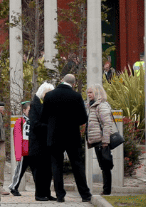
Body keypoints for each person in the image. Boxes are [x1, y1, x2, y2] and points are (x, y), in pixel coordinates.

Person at [43, 74, 91, 203]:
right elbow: (83, 118)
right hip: (71, 135)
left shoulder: (49, 96)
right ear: (74, 84)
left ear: (62, 81)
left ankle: (60, 195)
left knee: (56, 165)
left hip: (54, 136)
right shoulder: (76, 96)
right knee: (77, 164)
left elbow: (44, 117)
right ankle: (85, 194)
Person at [86, 84, 115, 196]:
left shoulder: (101, 106)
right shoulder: (93, 105)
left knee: (106, 166)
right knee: (103, 166)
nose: (89, 95)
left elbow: (107, 124)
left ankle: (107, 190)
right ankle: (106, 189)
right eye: (88, 93)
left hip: (102, 141)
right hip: (97, 141)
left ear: (97, 93)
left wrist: (105, 142)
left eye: (91, 92)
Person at [28, 83, 55, 201]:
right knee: (39, 169)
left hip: (48, 141)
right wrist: (49, 126)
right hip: (37, 142)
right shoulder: (35, 105)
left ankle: (47, 192)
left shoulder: (49, 105)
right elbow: (34, 124)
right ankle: (39, 194)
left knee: (48, 169)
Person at [7, 102, 30, 196]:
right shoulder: (20, 121)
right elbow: (17, 138)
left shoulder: (34, 120)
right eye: (29, 110)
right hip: (24, 149)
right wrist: (18, 153)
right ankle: (14, 186)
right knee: (20, 170)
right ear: (24, 110)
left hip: (32, 148)